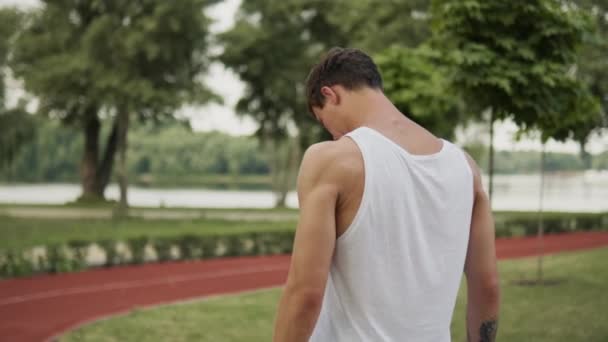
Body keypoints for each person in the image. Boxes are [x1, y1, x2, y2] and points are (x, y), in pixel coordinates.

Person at [273, 47, 500, 342]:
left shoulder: (331, 160)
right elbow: (488, 286)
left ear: (331, 95)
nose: (330, 133)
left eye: (323, 120)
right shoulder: (467, 168)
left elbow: (305, 293)